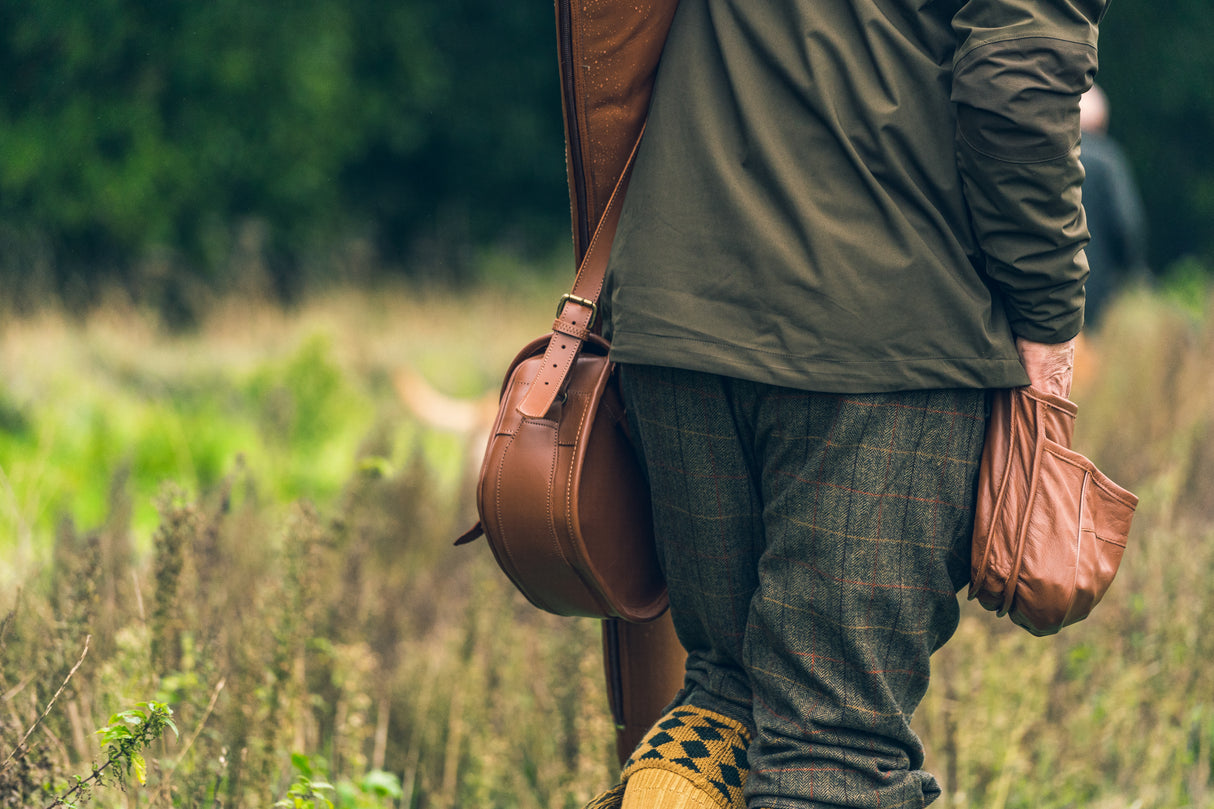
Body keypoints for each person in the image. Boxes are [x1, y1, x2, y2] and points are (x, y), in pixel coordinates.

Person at [584, 0, 1103, 807]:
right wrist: (1047, 319)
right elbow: (1018, 78)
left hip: (673, 311)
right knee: (835, 751)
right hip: (877, 332)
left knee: (729, 700)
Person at [1078, 83, 1149, 329]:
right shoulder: (1108, 159)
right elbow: (1127, 224)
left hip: (1043, 292)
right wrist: (1134, 272)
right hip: (1096, 292)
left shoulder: (1043, 156)